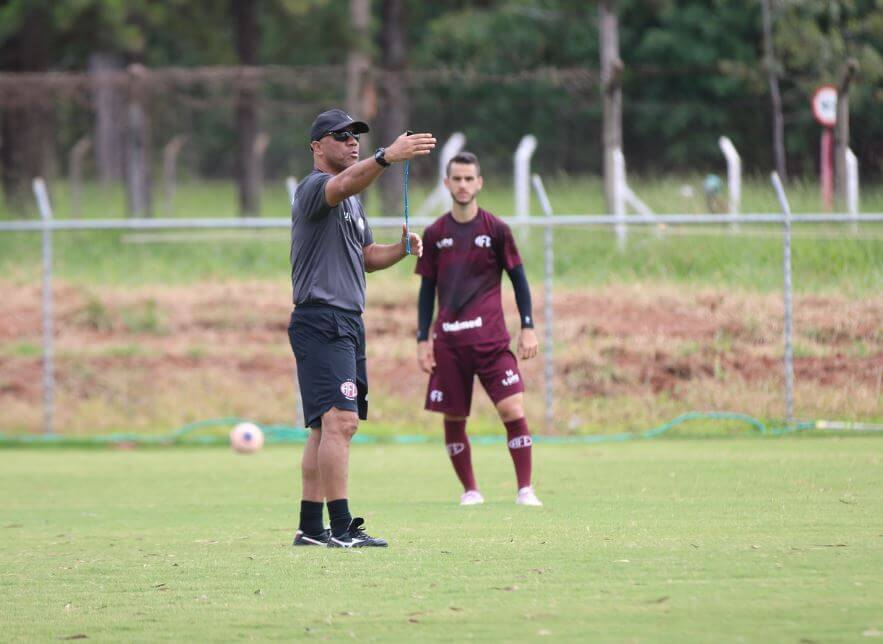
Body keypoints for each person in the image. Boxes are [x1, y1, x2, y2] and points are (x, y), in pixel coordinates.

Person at [289, 108, 435, 547]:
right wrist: (386, 157)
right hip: (322, 319)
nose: (352, 142)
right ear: (317, 147)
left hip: (348, 321)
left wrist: (401, 249)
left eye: (357, 135)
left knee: (325, 427)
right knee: (342, 422)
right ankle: (340, 528)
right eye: (342, 136)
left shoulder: (353, 200)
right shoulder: (316, 188)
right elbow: (341, 184)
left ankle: (312, 530)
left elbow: (366, 256)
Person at [415, 151, 542, 507]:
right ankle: (470, 490)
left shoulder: (497, 230)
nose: (463, 185)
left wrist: (528, 327)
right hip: (449, 343)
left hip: (491, 341)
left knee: (512, 409)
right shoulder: (435, 233)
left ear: (479, 183)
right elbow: (426, 291)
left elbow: (520, 281)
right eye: (457, 179)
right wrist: (422, 338)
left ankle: (525, 489)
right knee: (454, 417)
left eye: (469, 179)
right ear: (447, 184)